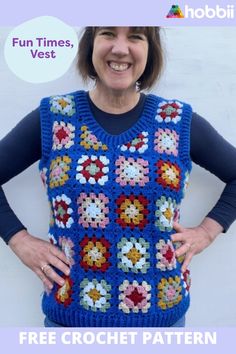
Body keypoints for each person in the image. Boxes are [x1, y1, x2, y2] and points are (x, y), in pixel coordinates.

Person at [0, 27, 236, 327]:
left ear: (150, 51)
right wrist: (19, 240)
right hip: (70, 322)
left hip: (161, 322)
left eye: (136, 37)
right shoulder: (56, 117)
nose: (121, 49)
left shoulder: (175, 121)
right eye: (108, 33)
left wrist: (207, 231)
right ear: (91, 45)